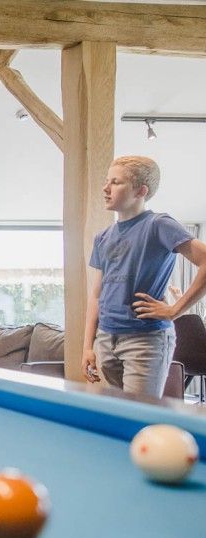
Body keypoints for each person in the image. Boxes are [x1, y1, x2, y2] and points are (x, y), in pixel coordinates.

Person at [82, 156, 206, 396]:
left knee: (138, 414)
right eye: (107, 181)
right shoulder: (103, 237)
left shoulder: (159, 225)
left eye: (116, 182)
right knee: (120, 413)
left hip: (144, 340)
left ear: (141, 190)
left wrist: (175, 310)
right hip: (107, 339)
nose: (105, 188)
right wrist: (88, 346)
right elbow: (96, 295)